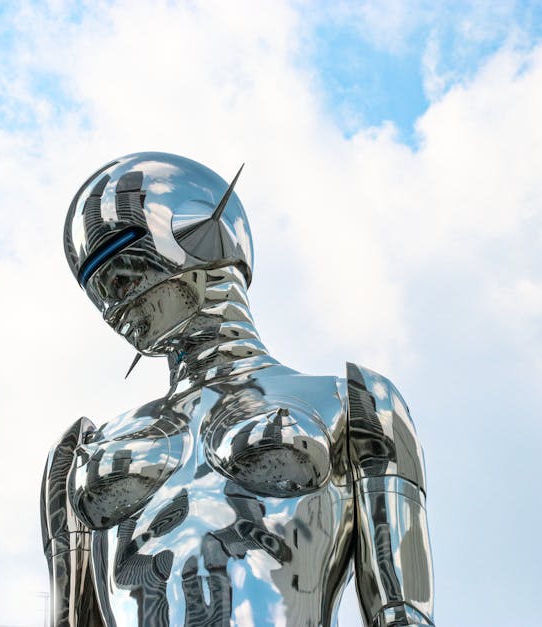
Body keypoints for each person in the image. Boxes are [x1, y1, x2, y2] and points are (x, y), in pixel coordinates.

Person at [40, 152, 434, 626]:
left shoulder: (354, 400)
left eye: (122, 266)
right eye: (96, 287)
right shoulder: (83, 449)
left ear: (194, 231)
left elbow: (401, 610)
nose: (112, 302)